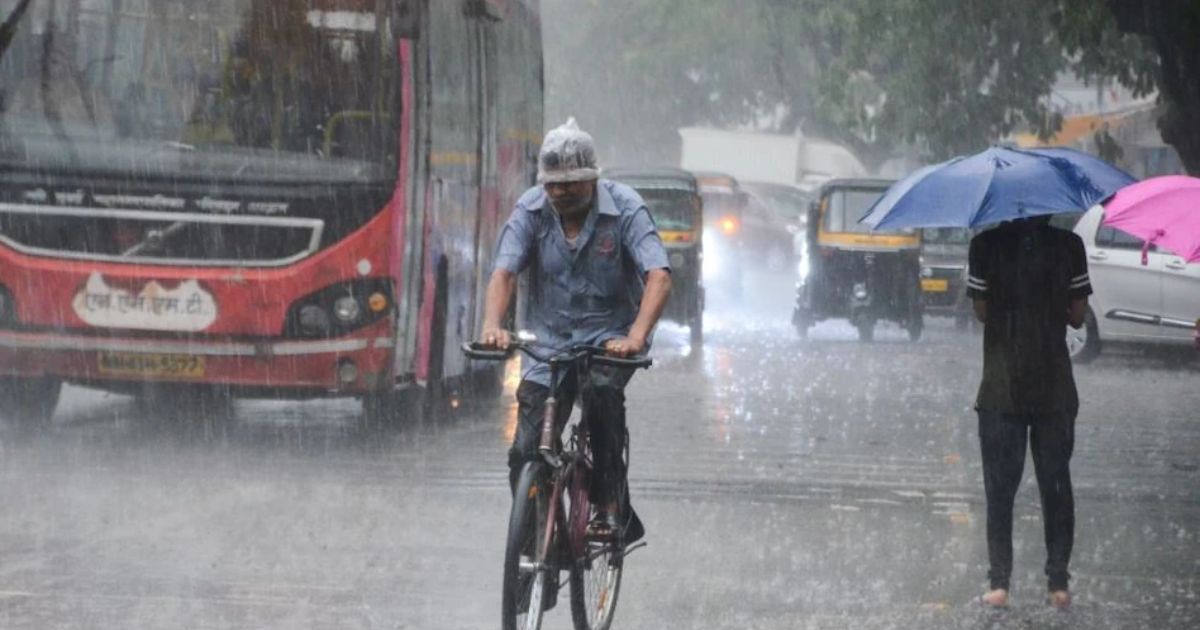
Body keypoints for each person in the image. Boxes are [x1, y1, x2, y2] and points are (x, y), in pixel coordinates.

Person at [478, 118, 671, 538]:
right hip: (547, 345)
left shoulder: (625, 209)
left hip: (610, 340)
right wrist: (493, 325)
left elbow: (659, 276)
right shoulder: (530, 210)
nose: (560, 193)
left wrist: (635, 337)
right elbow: (504, 273)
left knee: (601, 396)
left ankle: (610, 504)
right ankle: (533, 543)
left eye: (570, 184)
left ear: (592, 180)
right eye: (552, 185)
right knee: (524, 452)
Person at [966, 214, 1091, 610]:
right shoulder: (1069, 246)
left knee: (1000, 490)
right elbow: (1077, 316)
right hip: (1053, 385)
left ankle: (999, 583)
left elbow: (982, 311)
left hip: (1003, 387)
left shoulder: (984, 246)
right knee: (1056, 487)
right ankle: (1058, 585)